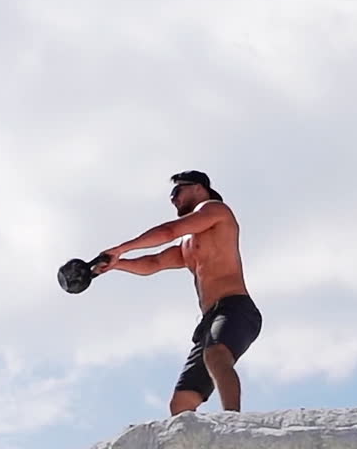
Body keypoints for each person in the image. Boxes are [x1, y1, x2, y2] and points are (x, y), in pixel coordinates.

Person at [96, 171, 262, 414]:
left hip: (235, 308)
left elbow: (169, 231)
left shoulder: (215, 210)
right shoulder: (188, 244)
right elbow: (153, 263)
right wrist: (115, 264)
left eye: (177, 191)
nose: (173, 199)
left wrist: (121, 249)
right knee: (182, 402)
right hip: (209, 320)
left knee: (216, 355)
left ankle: (234, 421)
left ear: (198, 188)